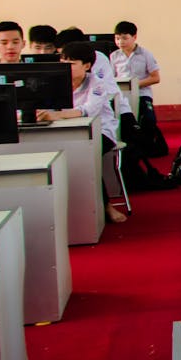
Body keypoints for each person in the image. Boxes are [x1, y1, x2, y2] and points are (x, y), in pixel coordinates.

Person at [38, 41, 127, 223]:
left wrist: (57, 115)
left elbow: (87, 110)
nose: (65, 68)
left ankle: (106, 206)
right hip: (66, 132)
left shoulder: (97, 84)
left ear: (86, 66)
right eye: (62, 62)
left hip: (102, 132)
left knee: (86, 157)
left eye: (71, 64)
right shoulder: (53, 84)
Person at [111, 20, 161, 124]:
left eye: (125, 38)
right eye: (117, 38)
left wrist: (134, 85)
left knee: (149, 120)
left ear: (134, 37)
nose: (120, 42)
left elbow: (156, 78)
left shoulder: (145, 54)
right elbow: (111, 78)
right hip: (122, 96)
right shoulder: (114, 56)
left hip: (142, 94)